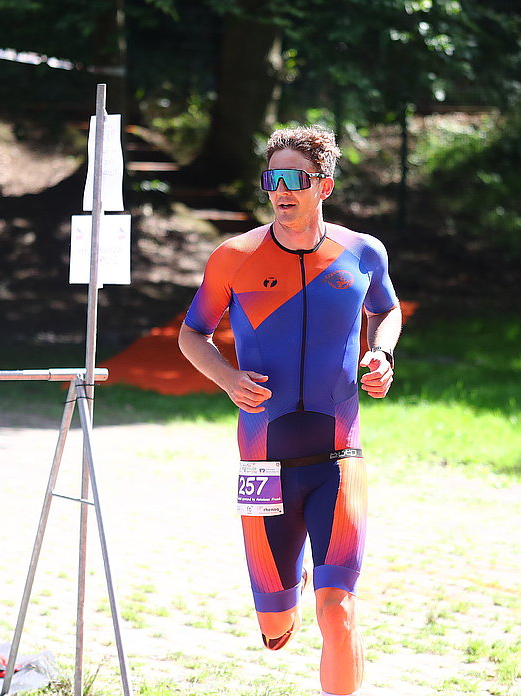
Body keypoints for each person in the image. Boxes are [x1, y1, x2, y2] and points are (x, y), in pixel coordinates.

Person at [178, 125, 401, 696]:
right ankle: (286, 592)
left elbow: (386, 309)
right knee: (275, 630)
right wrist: (228, 378)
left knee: (338, 611)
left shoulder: (361, 252)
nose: (279, 190)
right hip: (263, 464)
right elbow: (192, 333)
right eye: (271, 178)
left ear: (323, 186)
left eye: (293, 178)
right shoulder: (235, 257)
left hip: (338, 457)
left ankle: (326, 595)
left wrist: (380, 353)